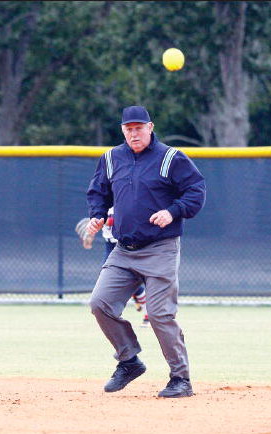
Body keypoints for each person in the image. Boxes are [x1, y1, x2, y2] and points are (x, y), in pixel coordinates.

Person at [86, 105, 206, 398]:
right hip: (123, 249)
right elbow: (98, 191)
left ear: (150, 128)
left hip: (160, 248)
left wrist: (173, 211)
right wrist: (97, 213)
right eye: (129, 128)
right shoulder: (112, 158)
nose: (134, 133)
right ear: (123, 131)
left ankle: (181, 379)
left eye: (139, 127)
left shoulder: (170, 158)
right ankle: (128, 361)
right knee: (99, 303)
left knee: (159, 313)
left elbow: (196, 190)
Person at [101, 207, 150, 327]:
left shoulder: (122, 197)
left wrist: (101, 220)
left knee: (134, 278)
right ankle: (135, 296)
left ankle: (148, 315)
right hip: (109, 245)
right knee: (106, 277)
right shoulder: (102, 200)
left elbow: (118, 220)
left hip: (123, 246)